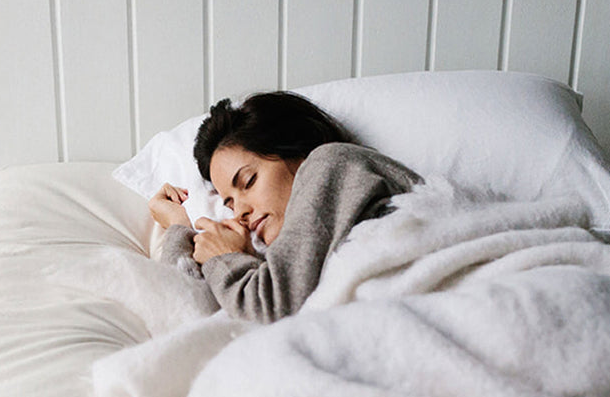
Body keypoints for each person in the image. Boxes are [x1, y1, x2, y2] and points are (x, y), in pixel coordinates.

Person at [149, 91, 421, 323]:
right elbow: (181, 309)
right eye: (229, 204)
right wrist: (178, 225)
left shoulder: (330, 163)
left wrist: (225, 258)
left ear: (298, 153)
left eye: (248, 181)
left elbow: (272, 308)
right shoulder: (283, 260)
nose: (240, 212)